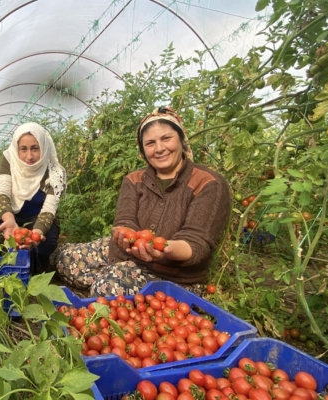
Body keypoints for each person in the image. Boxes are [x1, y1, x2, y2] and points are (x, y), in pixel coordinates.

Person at [54, 107, 231, 296]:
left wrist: (164, 249)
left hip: (174, 276)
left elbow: (196, 244)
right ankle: (116, 275)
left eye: (166, 138)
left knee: (109, 286)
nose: (159, 149)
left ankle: (114, 279)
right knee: (64, 259)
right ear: (142, 149)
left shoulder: (208, 183)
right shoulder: (134, 179)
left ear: (181, 139)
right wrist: (124, 234)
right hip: (127, 254)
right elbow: (125, 219)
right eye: (150, 143)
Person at [0, 122, 66, 275]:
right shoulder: (9, 159)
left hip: (37, 219)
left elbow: (49, 210)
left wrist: (36, 234)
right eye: (23, 149)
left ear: (44, 148)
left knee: (48, 240)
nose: (29, 156)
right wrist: (8, 219)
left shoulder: (54, 172)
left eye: (35, 148)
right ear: (17, 149)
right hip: (10, 216)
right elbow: (2, 193)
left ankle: (34, 267)